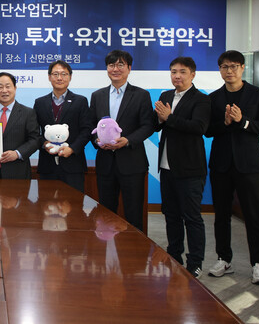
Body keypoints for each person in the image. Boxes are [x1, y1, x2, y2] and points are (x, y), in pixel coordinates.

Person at [205, 50, 259, 285]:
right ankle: (224, 259)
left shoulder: (258, 95)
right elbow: (208, 131)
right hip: (221, 165)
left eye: (233, 66)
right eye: (224, 67)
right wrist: (225, 123)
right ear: (220, 70)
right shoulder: (213, 98)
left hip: (248, 165)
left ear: (243, 68)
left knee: (253, 215)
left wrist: (243, 122)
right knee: (221, 215)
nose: (229, 71)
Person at [153, 56, 210, 278]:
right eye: (174, 72)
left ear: (192, 74)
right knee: (171, 215)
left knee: (192, 218)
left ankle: (195, 262)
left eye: (182, 72)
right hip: (167, 167)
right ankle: (173, 255)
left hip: (190, 169)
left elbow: (199, 127)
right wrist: (160, 119)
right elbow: (157, 124)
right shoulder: (166, 96)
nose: (177, 76)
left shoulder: (201, 99)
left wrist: (169, 117)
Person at [89, 50, 154, 232]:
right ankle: (106, 248)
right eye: (111, 65)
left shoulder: (141, 95)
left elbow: (148, 126)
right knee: (106, 213)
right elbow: (91, 126)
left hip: (132, 163)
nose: (115, 69)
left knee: (134, 214)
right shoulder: (97, 95)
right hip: (105, 163)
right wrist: (97, 141)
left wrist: (128, 140)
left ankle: (135, 249)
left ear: (129, 68)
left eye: (120, 65)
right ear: (107, 68)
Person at [33, 60, 93, 192]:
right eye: (55, 74)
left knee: (74, 203)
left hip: (73, 165)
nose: (59, 78)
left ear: (70, 77)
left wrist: (72, 149)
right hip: (47, 165)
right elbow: (34, 131)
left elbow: (87, 130)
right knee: (46, 203)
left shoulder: (80, 101)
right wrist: (44, 144)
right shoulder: (40, 102)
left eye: (64, 74)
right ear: (49, 77)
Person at [0, 72, 40, 179]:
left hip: (17, 172)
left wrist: (17, 153)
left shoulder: (28, 113)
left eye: (8, 86)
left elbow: (35, 140)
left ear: (15, 88)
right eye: (0, 87)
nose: (4, 91)